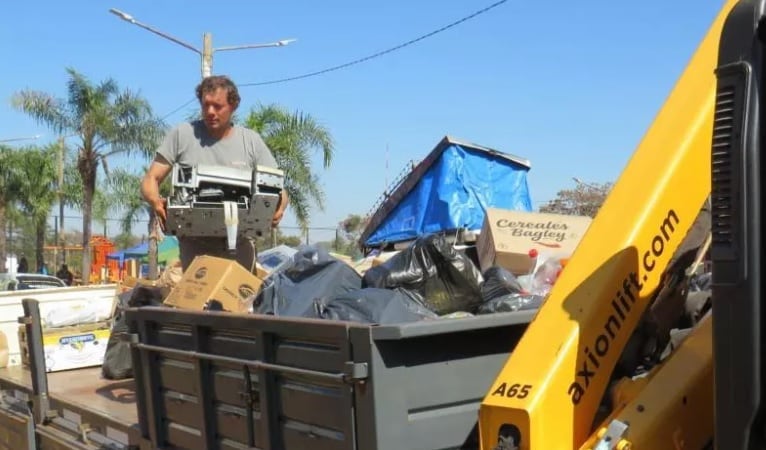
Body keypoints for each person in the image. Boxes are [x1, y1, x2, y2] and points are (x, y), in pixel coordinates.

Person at [141, 75, 288, 273]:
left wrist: (278, 209)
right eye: (205, 105)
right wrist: (156, 202)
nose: (210, 112)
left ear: (233, 105)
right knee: (198, 301)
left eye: (217, 106)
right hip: (194, 247)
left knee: (238, 300)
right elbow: (151, 178)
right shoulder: (182, 135)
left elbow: (278, 189)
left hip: (240, 246)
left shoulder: (251, 141)